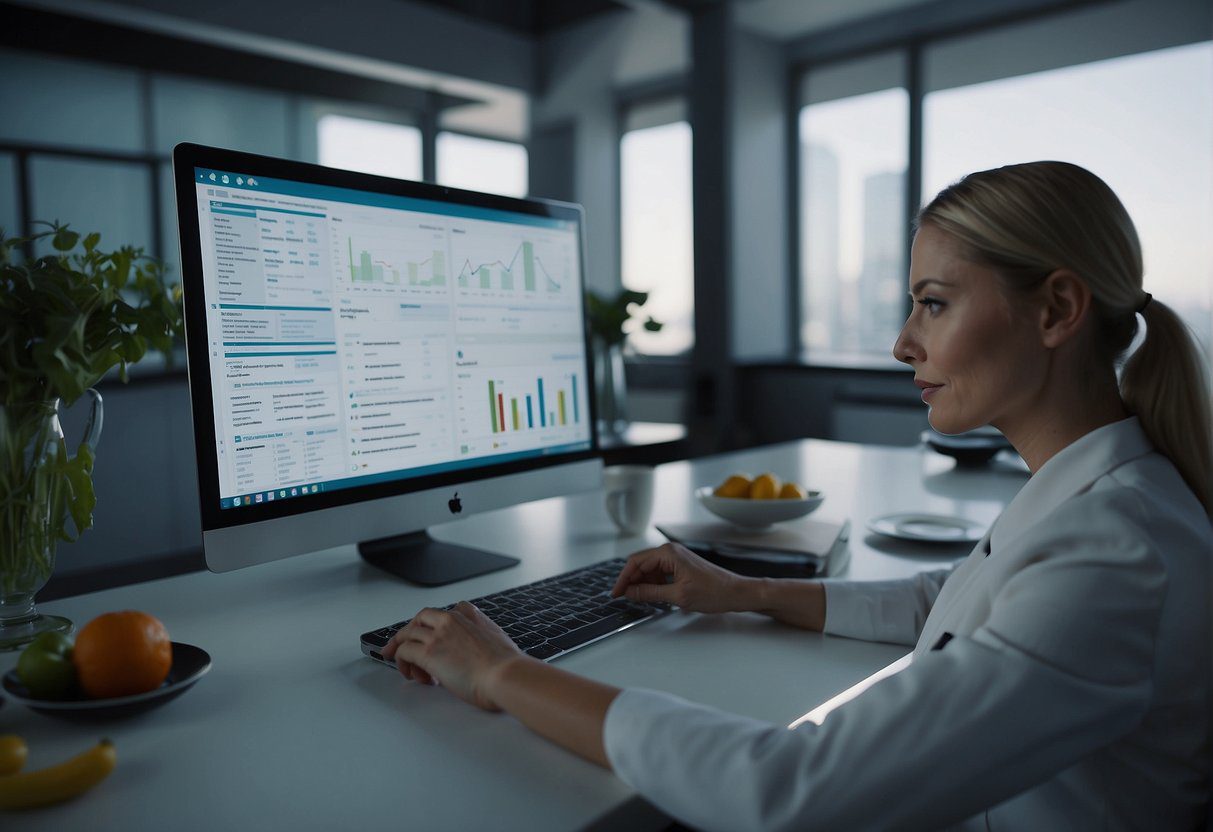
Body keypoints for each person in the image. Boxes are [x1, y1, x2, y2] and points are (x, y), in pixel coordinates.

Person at [381, 162, 1213, 830]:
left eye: (933, 304)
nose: (901, 343)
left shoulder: (1114, 552)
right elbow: (950, 606)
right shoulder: (1095, 494)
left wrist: (502, 675)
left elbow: (787, 790)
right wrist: (746, 592)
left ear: (1057, 309)